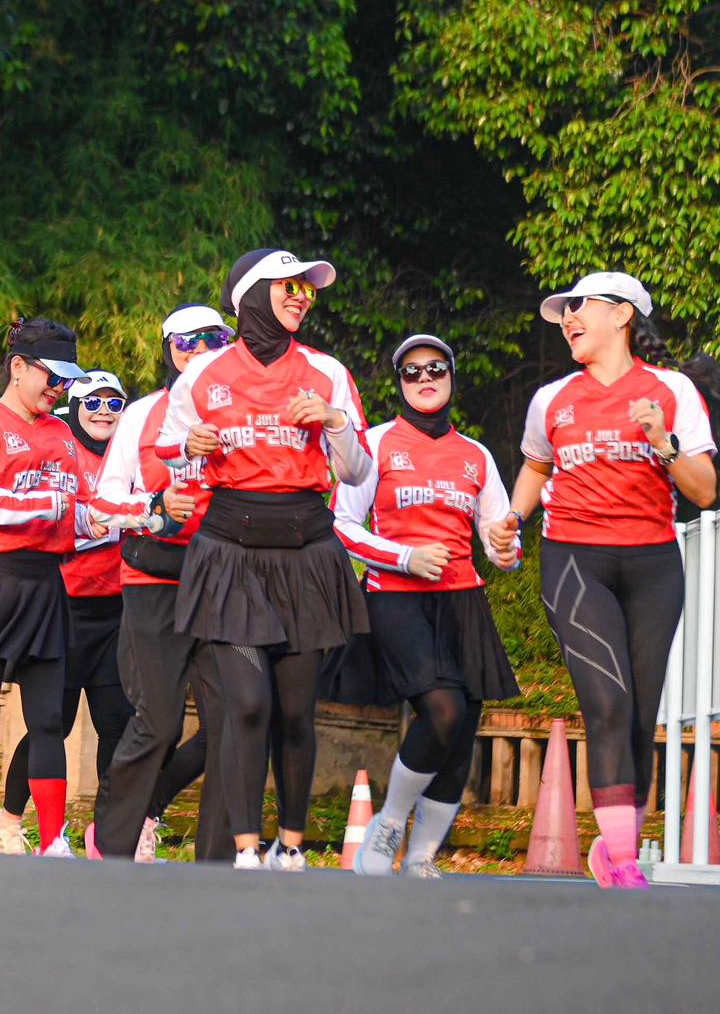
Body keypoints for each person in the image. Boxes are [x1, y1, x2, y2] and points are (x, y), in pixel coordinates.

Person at [489, 271, 717, 890]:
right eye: (561, 312)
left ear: (621, 315)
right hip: (575, 560)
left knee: (641, 714)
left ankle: (616, 848)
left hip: (653, 564)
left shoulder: (671, 391)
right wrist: (511, 517)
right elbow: (536, 466)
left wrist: (662, 443)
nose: (566, 319)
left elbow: (706, 489)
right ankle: (621, 861)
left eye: (578, 307)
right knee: (609, 703)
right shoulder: (552, 399)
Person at [156, 248, 371, 871]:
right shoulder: (203, 374)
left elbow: (358, 470)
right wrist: (190, 451)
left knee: (298, 710)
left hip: (307, 552)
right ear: (251, 294)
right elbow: (176, 463)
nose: (302, 294)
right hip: (231, 554)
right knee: (247, 703)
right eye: (289, 284)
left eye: (308, 287)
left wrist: (333, 422)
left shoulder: (327, 372)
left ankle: (292, 846)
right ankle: (246, 849)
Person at [331, 334, 519, 877]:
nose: (425, 378)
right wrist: (405, 556)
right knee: (444, 710)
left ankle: (420, 856)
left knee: (461, 731)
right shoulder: (377, 443)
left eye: (435, 368)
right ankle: (388, 822)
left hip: (464, 601)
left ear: (451, 375)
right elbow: (342, 525)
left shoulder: (476, 455)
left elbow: (499, 540)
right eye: (412, 372)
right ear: (400, 383)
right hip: (397, 597)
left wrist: (506, 548)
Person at [86, 304, 235, 862]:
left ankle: (218, 862)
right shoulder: (144, 412)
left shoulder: (239, 412)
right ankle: (113, 843)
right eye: (188, 341)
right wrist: (154, 506)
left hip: (222, 579)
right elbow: (101, 500)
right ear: (170, 348)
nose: (200, 349)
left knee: (232, 720)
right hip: (154, 576)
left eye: (215, 338)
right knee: (160, 721)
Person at [1, 370, 135, 853]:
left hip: (113, 610)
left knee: (117, 723)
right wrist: (104, 520)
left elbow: (119, 513)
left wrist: (136, 515)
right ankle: (11, 820)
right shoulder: (61, 447)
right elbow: (59, 518)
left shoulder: (128, 456)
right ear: (72, 408)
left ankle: (107, 835)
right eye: (93, 402)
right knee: (48, 721)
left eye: (114, 403)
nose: (104, 411)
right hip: (60, 604)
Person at [0, 317, 90, 857]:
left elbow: (78, 505)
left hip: (46, 586)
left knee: (50, 718)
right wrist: (45, 505)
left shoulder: (60, 431)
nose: (59, 391)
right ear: (17, 367)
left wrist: (126, 516)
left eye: (66, 381)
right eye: (51, 377)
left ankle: (54, 841)